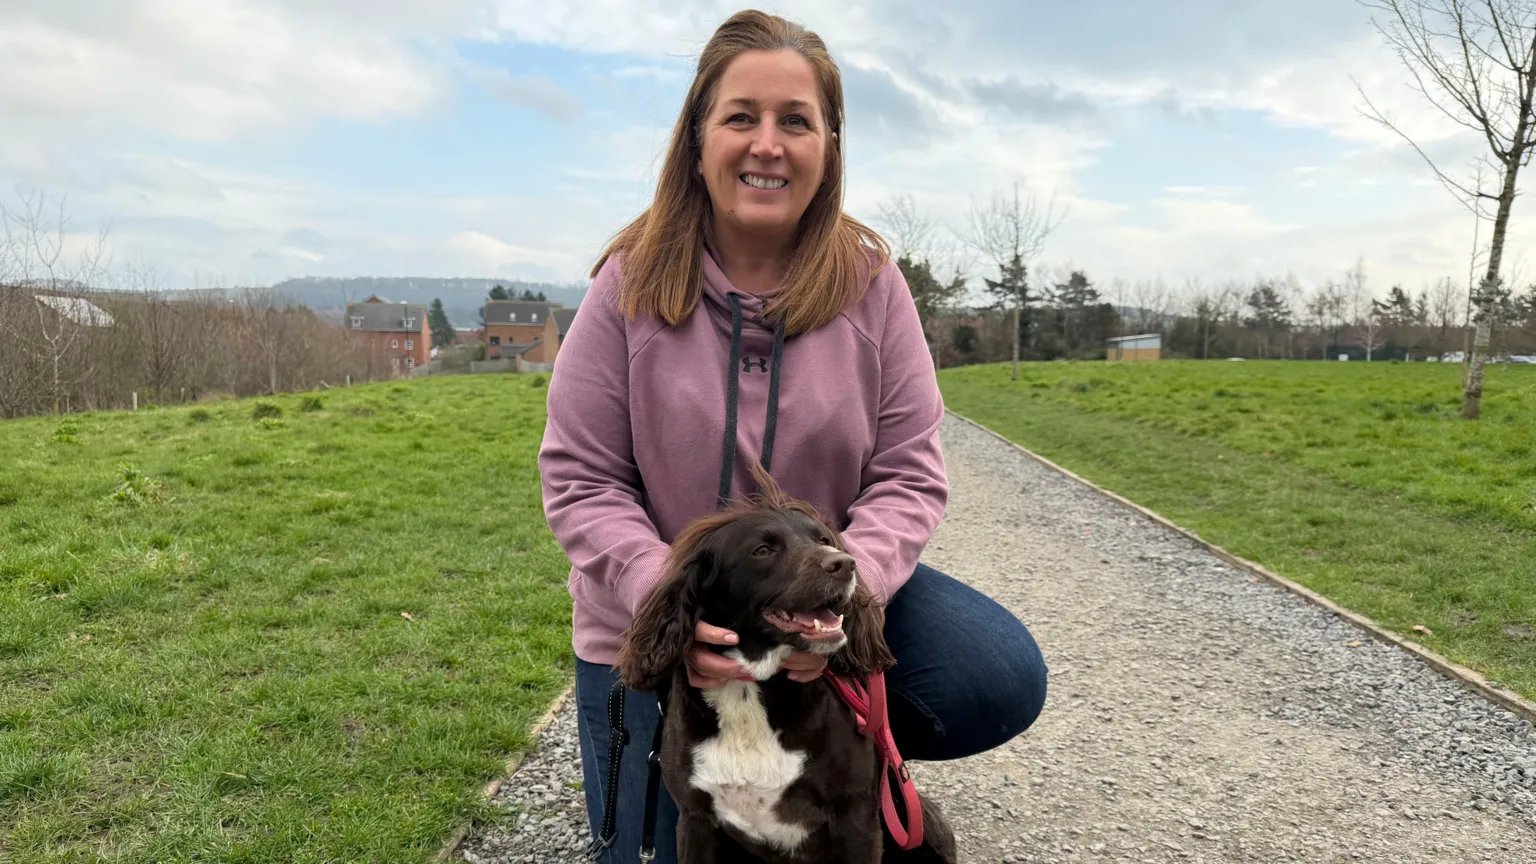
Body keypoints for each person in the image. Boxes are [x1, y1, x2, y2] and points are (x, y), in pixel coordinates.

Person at [538, 9, 1047, 862]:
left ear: (829, 145)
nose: (767, 144)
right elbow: (581, 479)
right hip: (663, 609)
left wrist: (848, 602)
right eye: (741, 117)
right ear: (697, 139)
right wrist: (658, 595)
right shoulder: (627, 284)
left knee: (994, 675)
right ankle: (749, 774)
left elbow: (909, 476)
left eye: (795, 121)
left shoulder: (872, 287)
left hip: (819, 602)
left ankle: (830, 765)